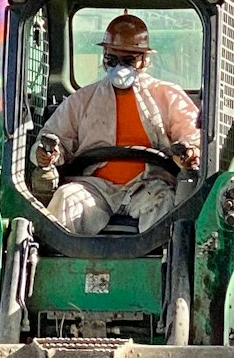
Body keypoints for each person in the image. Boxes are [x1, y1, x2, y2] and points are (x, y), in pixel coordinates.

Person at [27, 12, 200, 236]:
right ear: (104, 57)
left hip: (149, 186)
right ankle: (58, 267)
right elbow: (53, 138)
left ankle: (165, 267)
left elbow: (192, 136)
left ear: (145, 60)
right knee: (65, 199)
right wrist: (46, 153)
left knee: (167, 207)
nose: (119, 67)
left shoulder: (167, 96)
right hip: (95, 187)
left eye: (128, 60)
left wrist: (188, 152)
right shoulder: (82, 100)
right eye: (112, 59)